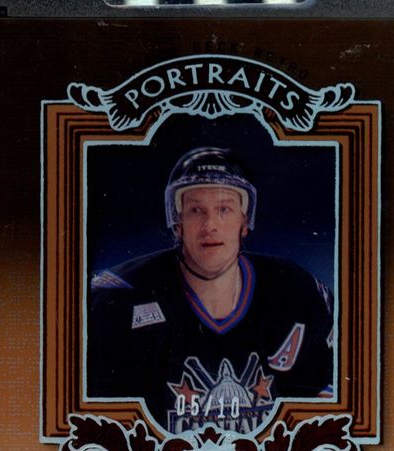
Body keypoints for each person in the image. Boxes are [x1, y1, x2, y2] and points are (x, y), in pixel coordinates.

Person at [88, 146, 334, 434]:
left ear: (245, 220)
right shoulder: (117, 299)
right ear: (177, 221)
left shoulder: (297, 291)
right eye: (196, 210)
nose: (210, 225)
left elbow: (329, 408)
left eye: (224, 209)